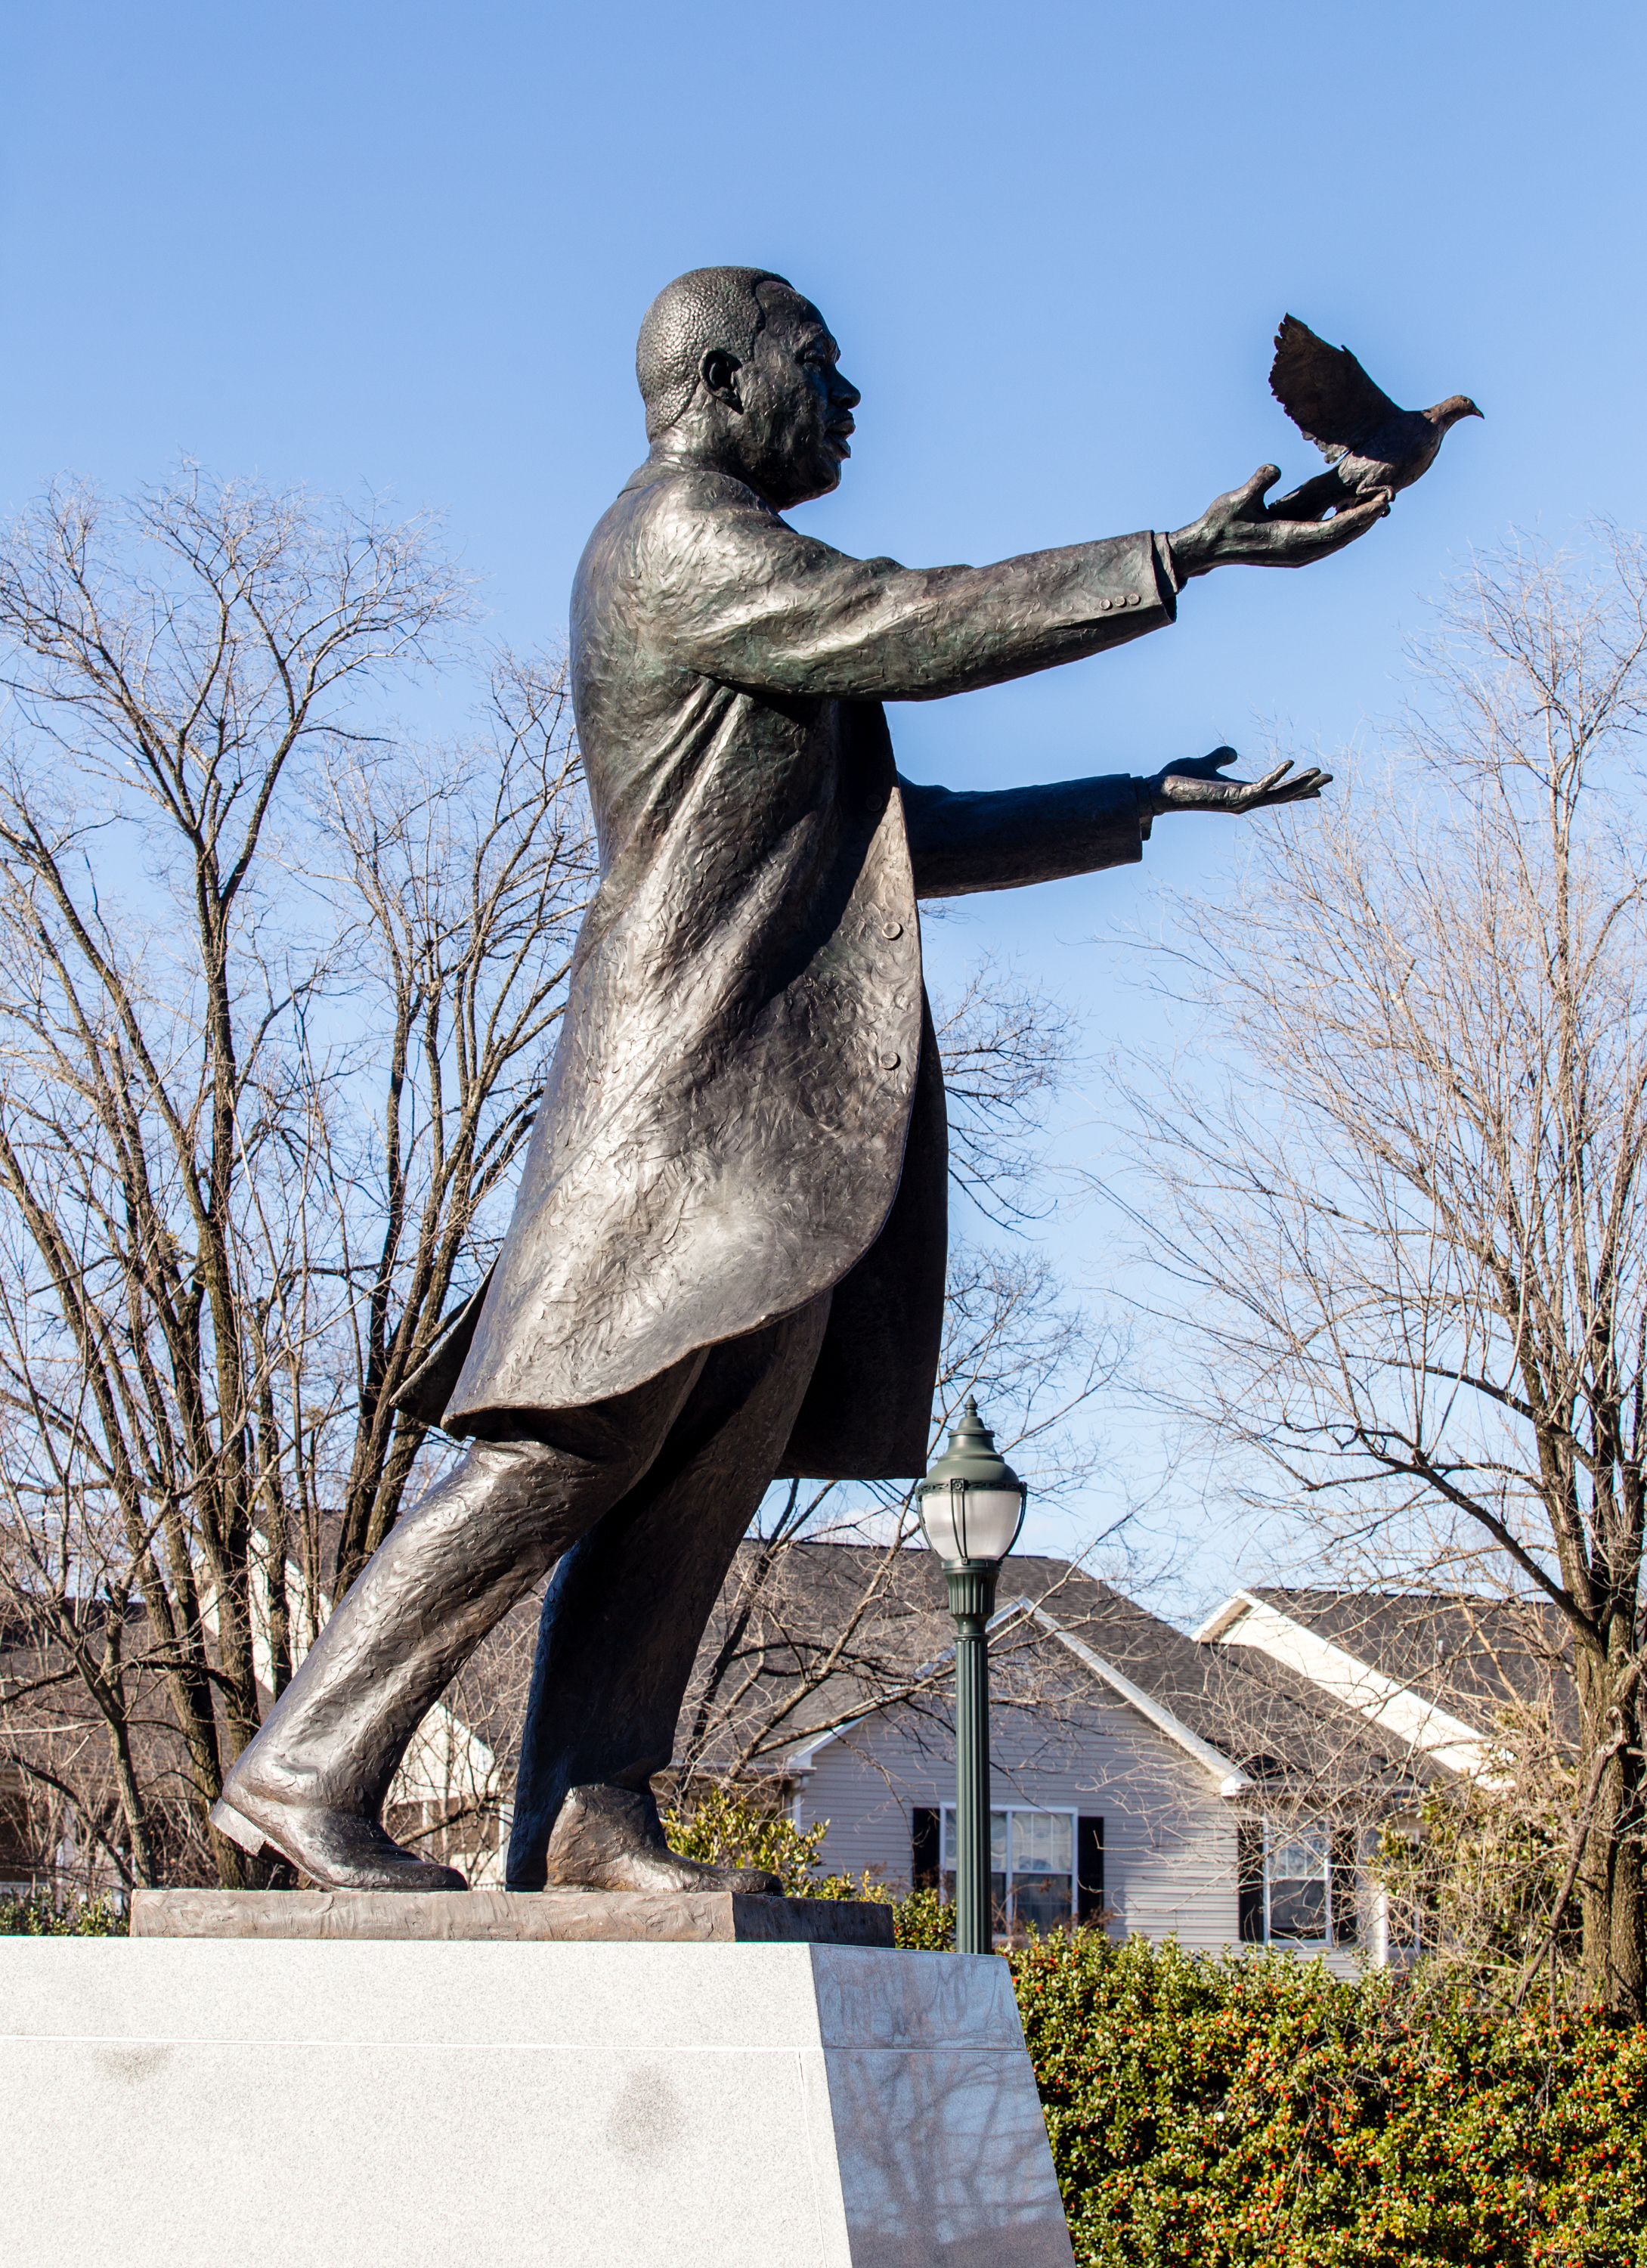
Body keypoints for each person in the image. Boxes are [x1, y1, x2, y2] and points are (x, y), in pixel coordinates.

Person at [214, 268, 1385, 1892]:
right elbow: (908, 621)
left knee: (696, 1462)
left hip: (766, 1123)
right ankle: (304, 1763)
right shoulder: (680, 537)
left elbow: (893, 846)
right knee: (569, 1441)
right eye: (817, 370)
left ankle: (587, 1808)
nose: (849, 400)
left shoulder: (752, 590)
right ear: (717, 377)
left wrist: (1138, 799)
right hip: (680, 1088)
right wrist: (1179, 557)